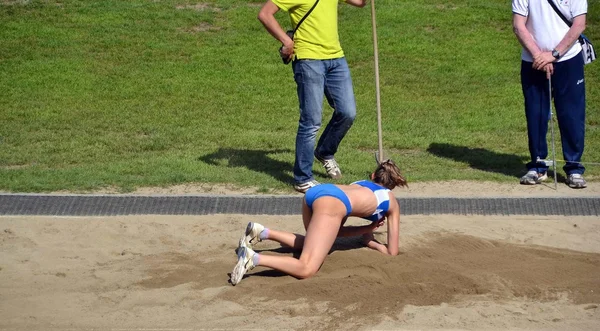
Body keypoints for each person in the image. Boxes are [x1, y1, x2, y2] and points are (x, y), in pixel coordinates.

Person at [230, 159, 408, 285]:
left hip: (318, 191)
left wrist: (367, 229)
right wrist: (376, 244)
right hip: (333, 203)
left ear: (372, 175)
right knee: (306, 268)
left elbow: (336, 232)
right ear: (393, 186)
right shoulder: (391, 202)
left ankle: (262, 232)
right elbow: (392, 251)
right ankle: (253, 258)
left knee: (311, 243)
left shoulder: (360, 183)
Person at [257, 0, 367, 193]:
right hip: (309, 60)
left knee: (347, 112)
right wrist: (287, 41)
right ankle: (303, 178)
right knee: (311, 121)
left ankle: (325, 152)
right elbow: (265, 14)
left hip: (336, 59)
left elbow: (359, 2)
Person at [512, 0, 588, 188]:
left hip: (568, 59)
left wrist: (553, 54)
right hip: (533, 61)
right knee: (536, 114)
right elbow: (518, 25)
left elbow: (579, 24)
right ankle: (538, 166)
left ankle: (574, 168)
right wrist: (539, 55)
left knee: (571, 115)